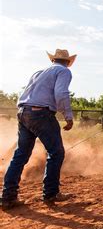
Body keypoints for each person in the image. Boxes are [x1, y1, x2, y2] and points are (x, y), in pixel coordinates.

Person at [1, 49, 76, 210]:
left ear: (52, 60)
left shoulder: (39, 73)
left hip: (23, 112)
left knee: (20, 154)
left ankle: (8, 197)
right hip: (41, 113)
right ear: (68, 62)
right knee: (56, 152)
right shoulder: (64, 72)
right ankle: (50, 193)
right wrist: (68, 116)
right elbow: (61, 93)